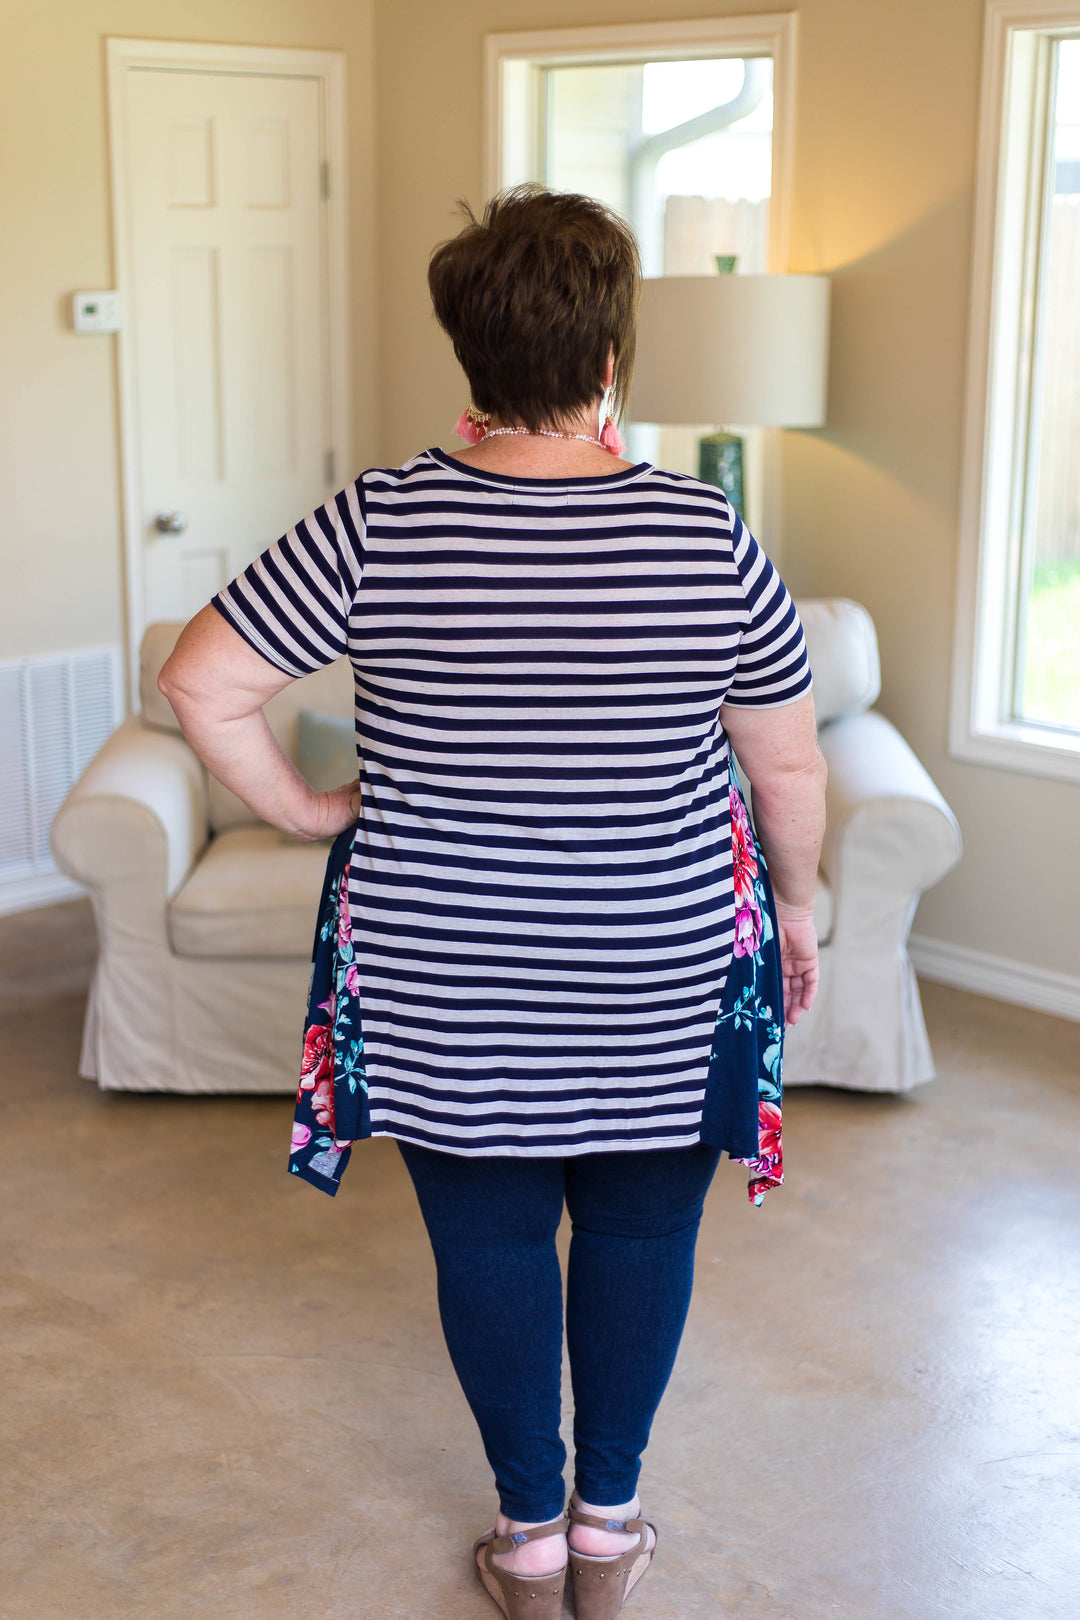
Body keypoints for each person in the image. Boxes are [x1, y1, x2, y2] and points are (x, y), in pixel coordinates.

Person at [159, 185, 826, 1620]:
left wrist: (308, 811)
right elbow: (785, 763)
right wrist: (806, 905)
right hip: (660, 966)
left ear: (471, 355)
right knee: (645, 1238)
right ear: (609, 360)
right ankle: (607, 1536)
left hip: (446, 971)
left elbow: (199, 684)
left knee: (493, 1243)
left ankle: (525, 1542)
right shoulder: (704, 533)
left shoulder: (379, 521)